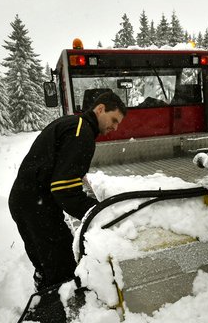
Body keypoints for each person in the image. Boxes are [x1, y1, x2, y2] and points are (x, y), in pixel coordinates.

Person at [9, 90, 126, 322]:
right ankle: (55, 314)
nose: (115, 128)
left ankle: (45, 296)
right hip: (36, 205)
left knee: (45, 261)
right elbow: (64, 189)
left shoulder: (74, 124)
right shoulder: (81, 132)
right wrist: (98, 212)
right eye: (114, 120)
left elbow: (64, 177)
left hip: (25, 201)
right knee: (62, 266)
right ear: (100, 109)